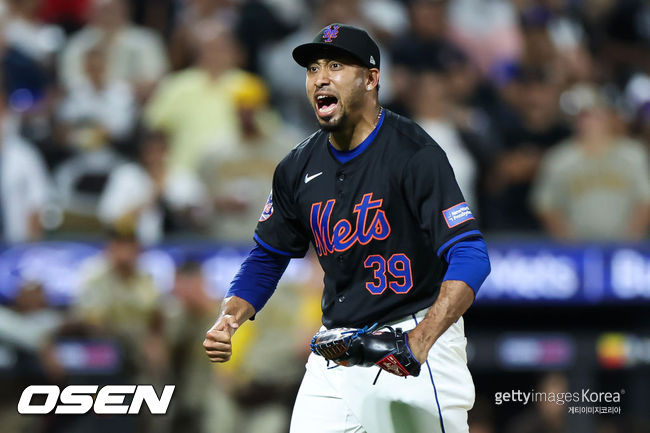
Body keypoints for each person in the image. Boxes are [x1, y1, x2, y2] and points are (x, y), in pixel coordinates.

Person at [203, 24, 491, 433]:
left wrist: (422, 339)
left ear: (371, 78)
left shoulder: (414, 153)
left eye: (335, 65)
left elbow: (471, 255)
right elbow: (268, 255)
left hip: (410, 338)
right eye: (313, 68)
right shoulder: (296, 167)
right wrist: (229, 317)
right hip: (335, 349)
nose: (320, 77)